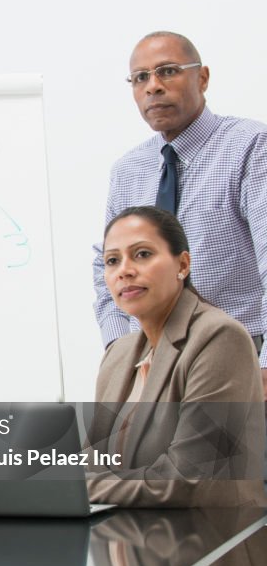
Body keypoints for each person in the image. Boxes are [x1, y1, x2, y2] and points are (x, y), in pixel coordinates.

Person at [86, 207, 266, 566]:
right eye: (112, 261)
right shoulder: (119, 355)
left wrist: (72, 483)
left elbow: (187, 480)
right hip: (132, 555)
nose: (124, 269)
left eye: (142, 254)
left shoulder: (219, 338)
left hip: (204, 564)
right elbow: (92, 457)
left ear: (183, 264)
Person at [92, 31, 267, 402]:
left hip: (240, 350)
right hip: (154, 360)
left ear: (202, 78)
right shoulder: (128, 170)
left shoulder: (251, 146)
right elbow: (103, 264)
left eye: (167, 71)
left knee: (232, 462)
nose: (153, 87)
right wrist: (121, 350)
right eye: (140, 78)